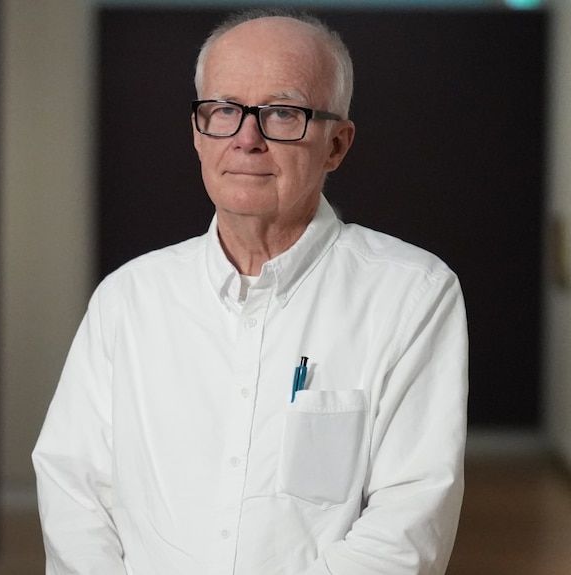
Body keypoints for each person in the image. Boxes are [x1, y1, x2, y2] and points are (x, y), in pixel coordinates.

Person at [33, 9, 468, 575]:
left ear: (336, 144)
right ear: (197, 131)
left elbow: (409, 523)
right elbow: (75, 492)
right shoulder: (129, 299)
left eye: (283, 113)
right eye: (223, 110)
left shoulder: (412, 295)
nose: (246, 138)